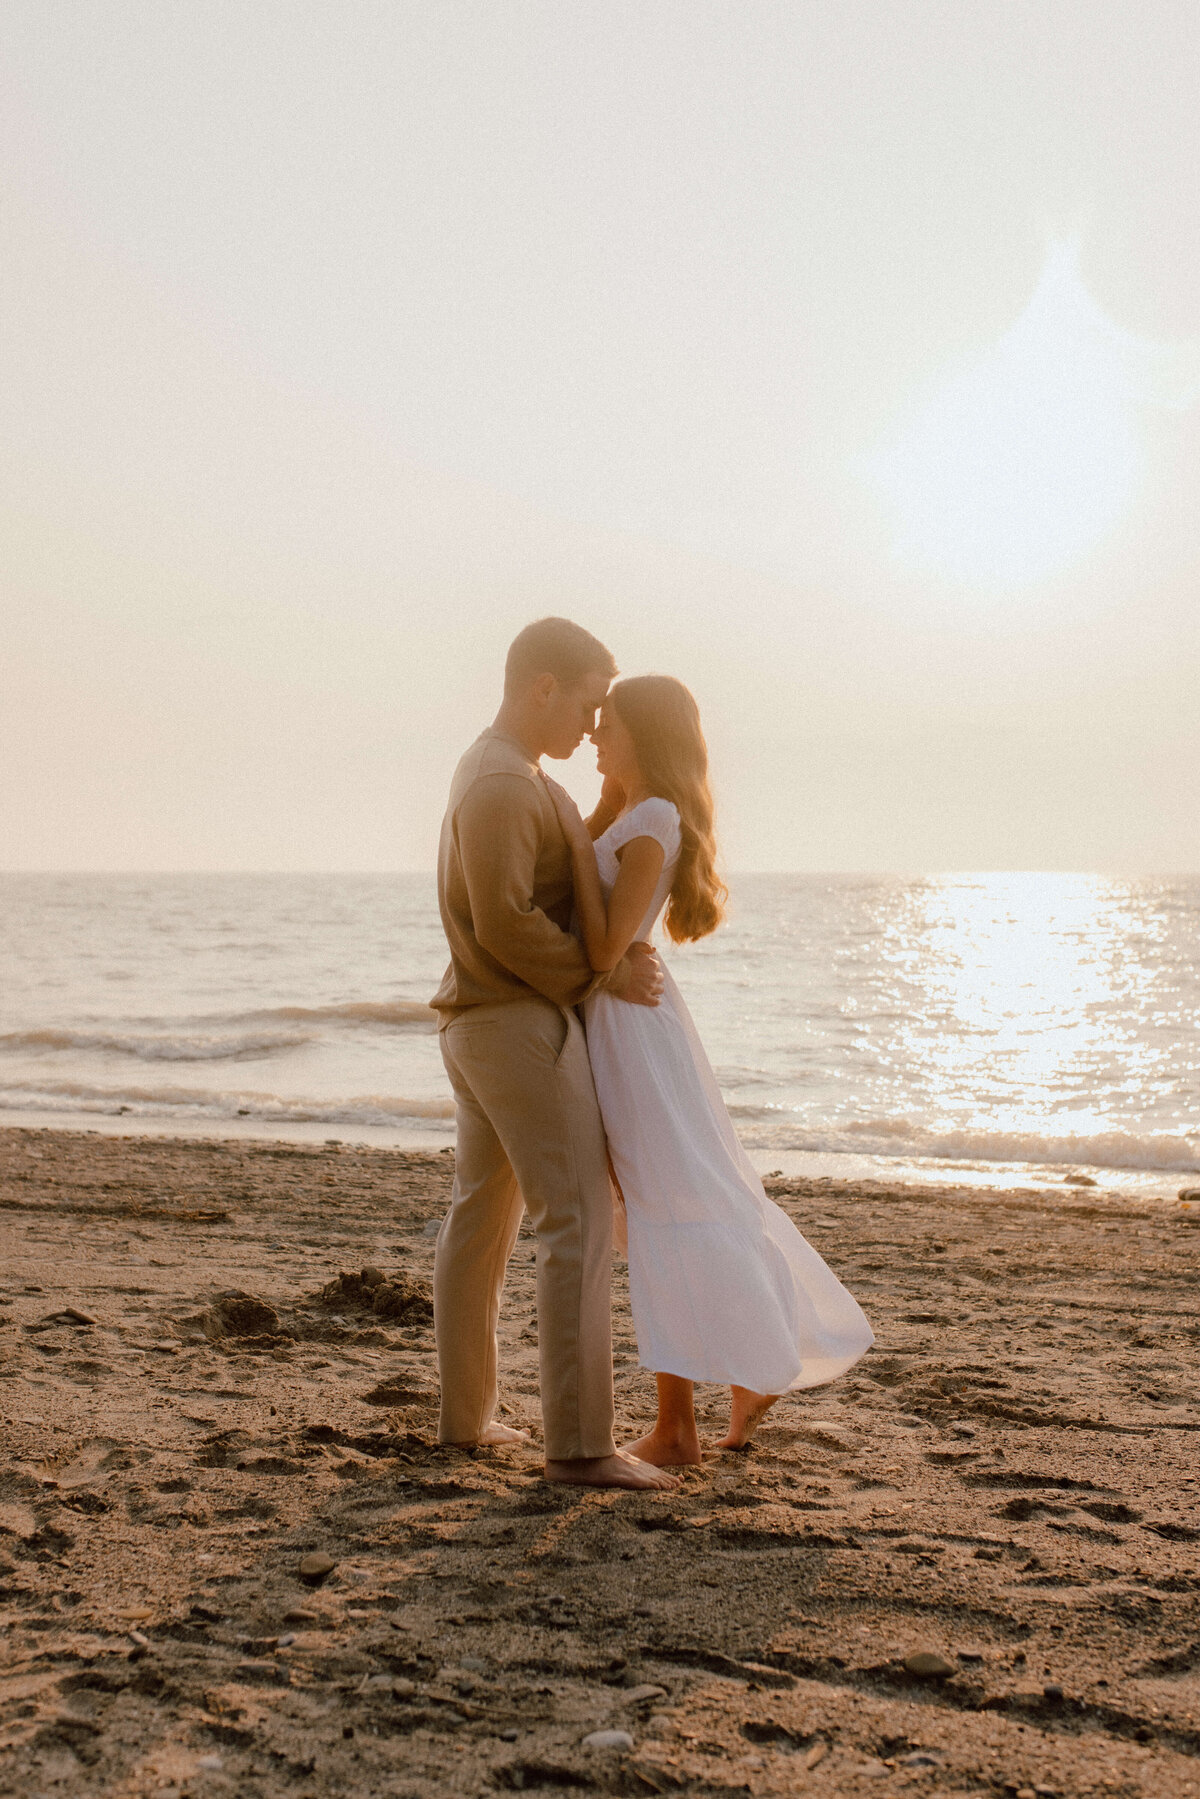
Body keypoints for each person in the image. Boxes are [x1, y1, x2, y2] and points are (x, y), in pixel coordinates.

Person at [544, 674, 874, 1466]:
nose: (594, 735)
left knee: (671, 1203)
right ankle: (713, 1398)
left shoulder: (652, 818)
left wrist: (585, 861)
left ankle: (680, 1423)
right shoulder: (630, 810)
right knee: (667, 1202)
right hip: (622, 1023)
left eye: (608, 724)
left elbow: (604, 949)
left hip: (633, 1028)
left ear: (642, 735)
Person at [430, 618, 676, 1490]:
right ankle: (578, 1447)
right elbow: (504, 921)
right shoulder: (502, 781)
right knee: (576, 1216)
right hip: (512, 1026)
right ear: (542, 686)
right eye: (585, 700)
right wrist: (599, 974)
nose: (591, 721)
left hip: (481, 1024)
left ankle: (465, 1419)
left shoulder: (501, 769)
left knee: (483, 1220)